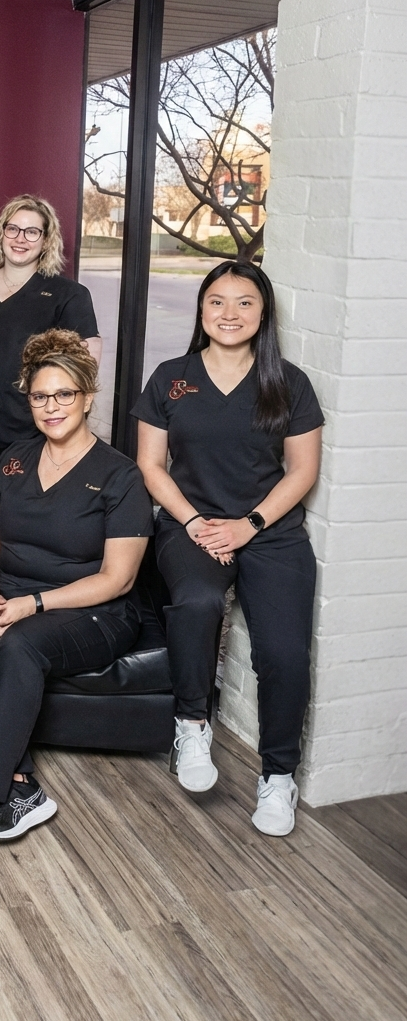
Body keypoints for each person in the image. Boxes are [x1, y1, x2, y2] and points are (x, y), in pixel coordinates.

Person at [0, 330, 152, 855]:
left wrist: (33, 605)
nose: (52, 407)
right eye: (40, 396)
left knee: (22, 642)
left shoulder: (120, 476)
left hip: (94, 609)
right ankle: (21, 786)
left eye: (65, 394)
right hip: (16, 597)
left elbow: (118, 578)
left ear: (89, 397)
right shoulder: (15, 459)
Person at [133, 261, 323, 837]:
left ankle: (279, 776)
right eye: (217, 301)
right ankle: (192, 725)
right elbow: (150, 464)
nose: (229, 314)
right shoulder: (171, 376)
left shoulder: (288, 382)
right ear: (200, 309)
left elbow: (302, 470)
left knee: (284, 654)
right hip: (190, 526)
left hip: (271, 531)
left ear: (263, 313)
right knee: (197, 604)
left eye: (244, 303)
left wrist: (249, 525)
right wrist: (193, 522)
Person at [0, 195, 101, 480]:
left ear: (46, 240)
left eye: (32, 232)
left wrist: (64, 424)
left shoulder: (68, 295)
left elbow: (86, 362)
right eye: (12, 228)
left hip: (35, 434)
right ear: (1, 232)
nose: (20, 238)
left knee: (25, 518)